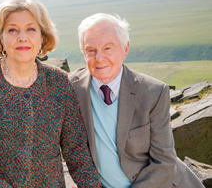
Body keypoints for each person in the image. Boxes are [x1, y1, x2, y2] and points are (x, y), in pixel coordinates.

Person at [0, 0, 100, 187]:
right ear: (0, 38)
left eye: (31, 29)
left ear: (43, 37)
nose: (22, 37)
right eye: (12, 30)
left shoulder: (60, 82)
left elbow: (76, 151)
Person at [69, 13, 204, 188]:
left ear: (125, 49)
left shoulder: (154, 92)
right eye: (91, 50)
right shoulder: (71, 88)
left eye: (108, 48)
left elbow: (164, 163)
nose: (99, 58)